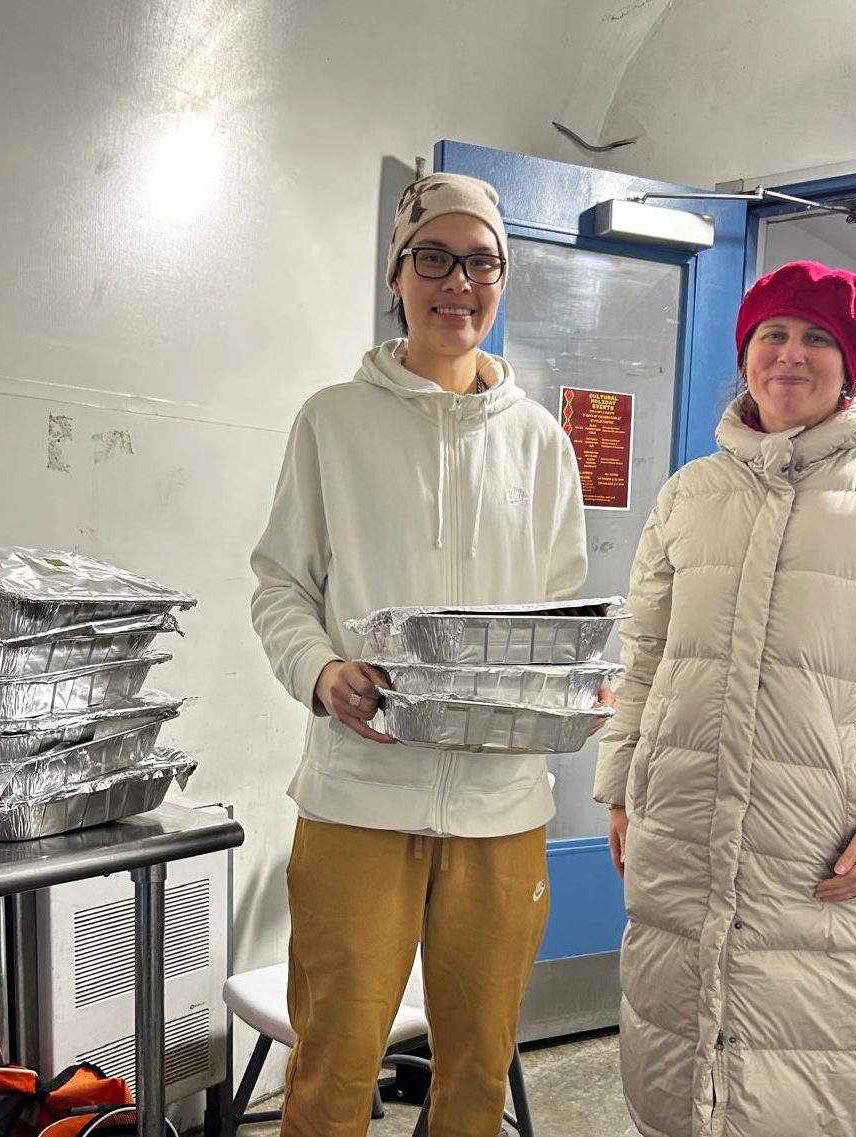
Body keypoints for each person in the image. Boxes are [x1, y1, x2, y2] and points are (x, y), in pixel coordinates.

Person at [594, 260, 856, 1137]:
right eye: (773, 333)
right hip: (687, 834)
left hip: (828, 846)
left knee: (824, 1085)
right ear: (746, 356)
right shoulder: (689, 493)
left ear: (853, 367)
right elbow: (649, 649)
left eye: (819, 337)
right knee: (680, 1064)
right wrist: (622, 783)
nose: (791, 354)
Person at [251, 173, 598, 1136]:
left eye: (481, 261)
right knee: (331, 1069)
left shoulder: (540, 442)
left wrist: (575, 689)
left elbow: (562, 614)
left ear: (502, 278)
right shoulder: (333, 420)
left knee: (478, 1070)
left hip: (499, 806)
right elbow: (281, 583)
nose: (459, 281)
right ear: (397, 275)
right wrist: (320, 673)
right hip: (359, 793)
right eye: (434, 257)